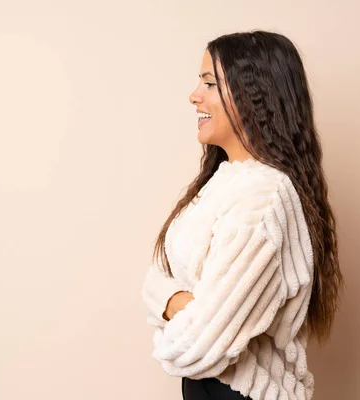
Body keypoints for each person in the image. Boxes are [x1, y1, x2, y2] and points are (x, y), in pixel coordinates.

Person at [141, 30, 343, 400]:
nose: (194, 95)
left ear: (255, 94)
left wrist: (172, 305)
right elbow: (155, 276)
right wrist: (185, 304)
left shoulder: (265, 196)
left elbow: (202, 344)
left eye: (209, 83)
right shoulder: (223, 183)